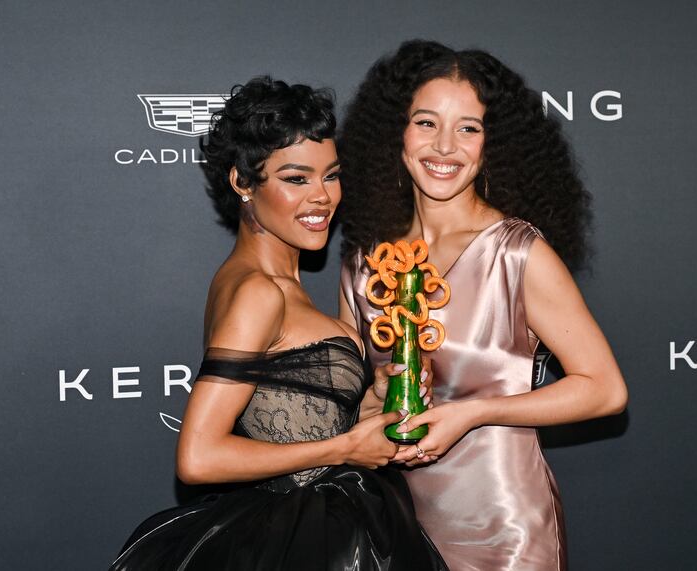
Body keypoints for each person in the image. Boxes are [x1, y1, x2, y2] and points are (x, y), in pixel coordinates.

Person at [110, 76, 447, 571]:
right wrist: (348, 446)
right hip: (299, 541)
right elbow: (198, 457)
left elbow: (284, 420)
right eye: (295, 179)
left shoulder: (272, 283)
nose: (322, 197)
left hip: (322, 527)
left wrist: (370, 403)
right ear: (243, 183)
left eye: (330, 175)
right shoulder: (257, 292)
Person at [337, 40, 628, 571]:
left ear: (492, 144)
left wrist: (473, 413)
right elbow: (346, 408)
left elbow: (604, 390)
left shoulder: (517, 253)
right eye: (426, 122)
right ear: (393, 134)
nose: (445, 146)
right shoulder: (365, 261)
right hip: (392, 529)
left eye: (469, 127)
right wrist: (376, 396)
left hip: (503, 530)